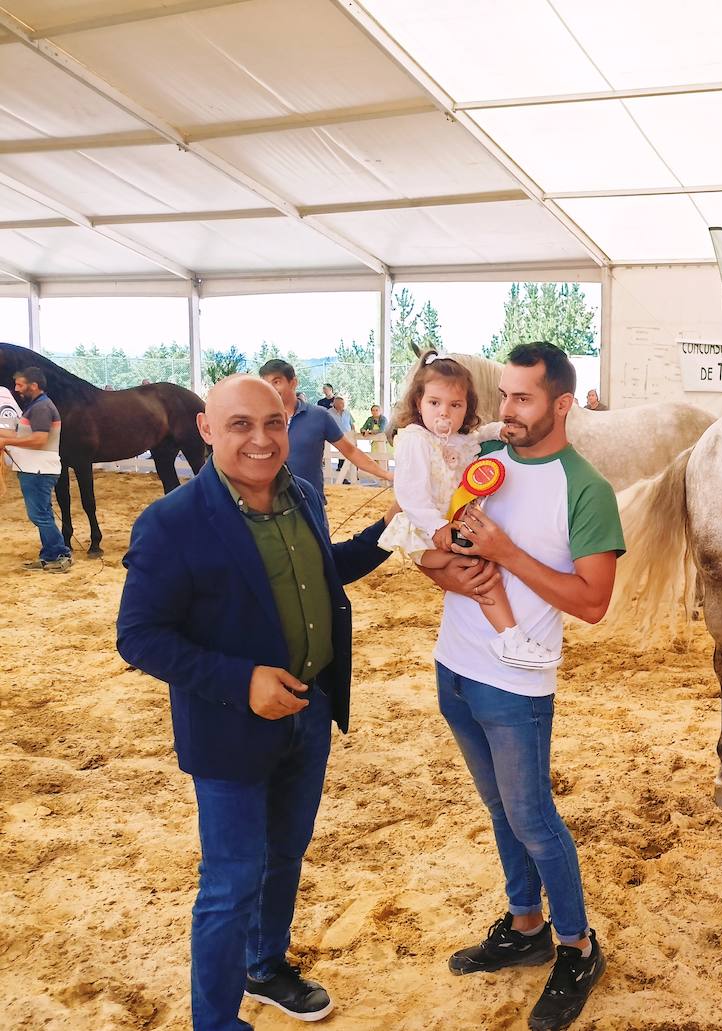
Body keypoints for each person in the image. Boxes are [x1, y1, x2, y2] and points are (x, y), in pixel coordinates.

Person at [116, 375, 394, 1031]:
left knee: (285, 853)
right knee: (230, 882)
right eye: (240, 424)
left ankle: (265, 965)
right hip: (229, 730)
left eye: (274, 422)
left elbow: (329, 570)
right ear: (207, 430)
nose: (262, 439)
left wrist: (393, 530)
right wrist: (241, 682)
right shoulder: (171, 521)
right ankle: (215, 1021)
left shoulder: (299, 495)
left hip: (311, 709)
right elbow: (140, 635)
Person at [437, 342, 623, 1031]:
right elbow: (448, 543)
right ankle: (525, 925)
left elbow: (594, 601)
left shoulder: (586, 488)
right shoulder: (484, 464)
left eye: (523, 398)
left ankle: (577, 946)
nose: (505, 410)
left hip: (516, 683)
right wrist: (445, 557)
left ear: (562, 404)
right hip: (453, 665)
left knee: (535, 820)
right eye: (504, 395)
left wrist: (506, 553)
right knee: (499, 809)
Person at [379, 351, 559, 669]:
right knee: (482, 570)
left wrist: (496, 431)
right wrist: (437, 527)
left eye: (455, 405)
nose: (444, 413)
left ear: (467, 408)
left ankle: (499, 636)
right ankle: (510, 637)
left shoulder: (459, 440)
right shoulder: (415, 441)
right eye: (434, 403)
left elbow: (478, 436)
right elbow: (409, 495)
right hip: (424, 533)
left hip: (449, 527)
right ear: (418, 402)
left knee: (483, 566)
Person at [257, 360, 391, 510]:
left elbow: (351, 451)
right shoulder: (257, 418)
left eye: (276, 382)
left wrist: (387, 475)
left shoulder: (319, 416)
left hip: (309, 505)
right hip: (266, 507)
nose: (271, 389)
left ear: (293, 382)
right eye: (266, 384)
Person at [0, 367, 72, 572]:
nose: (16, 389)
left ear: (34, 385)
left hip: (38, 469)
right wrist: (5, 436)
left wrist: (5, 440)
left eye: (20, 385)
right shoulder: (37, 406)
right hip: (36, 468)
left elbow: (39, 440)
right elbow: (21, 433)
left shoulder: (41, 408)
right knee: (42, 513)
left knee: (39, 514)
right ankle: (51, 555)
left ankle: (59, 554)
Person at [330, 395, 357, 482]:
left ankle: (353, 474)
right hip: (337, 436)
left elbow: (352, 424)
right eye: (340, 403)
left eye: (343, 403)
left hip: (349, 436)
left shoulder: (347, 412)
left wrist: (353, 432)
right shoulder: (329, 412)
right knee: (342, 453)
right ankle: (342, 474)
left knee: (351, 453)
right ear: (335, 403)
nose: (342, 405)